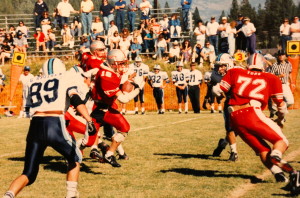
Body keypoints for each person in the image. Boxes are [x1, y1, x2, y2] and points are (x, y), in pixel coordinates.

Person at [2, 58, 97, 198]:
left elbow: (29, 106)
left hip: (35, 126)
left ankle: (8, 195)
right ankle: (71, 195)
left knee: (28, 173)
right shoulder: (65, 78)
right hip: (54, 123)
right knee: (75, 158)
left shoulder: (32, 81)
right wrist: (88, 119)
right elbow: (75, 99)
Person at [216, 52, 295, 184]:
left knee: (262, 149)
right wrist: (280, 119)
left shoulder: (235, 71)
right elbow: (280, 105)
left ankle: (278, 174)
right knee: (282, 141)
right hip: (252, 111)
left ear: (248, 65)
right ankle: (276, 156)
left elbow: (217, 90)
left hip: (234, 117)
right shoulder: (271, 77)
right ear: (263, 65)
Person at [89, 49, 140, 167]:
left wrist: (129, 80)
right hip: (97, 108)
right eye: (121, 63)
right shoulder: (105, 75)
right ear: (113, 62)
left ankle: (109, 154)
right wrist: (137, 89)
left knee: (124, 128)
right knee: (87, 141)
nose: (123, 66)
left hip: (106, 107)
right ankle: (72, 155)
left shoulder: (111, 70)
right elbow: (123, 99)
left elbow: (120, 82)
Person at [268, 50, 295, 117]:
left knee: (290, 101)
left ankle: (277, 111)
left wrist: (292, 82)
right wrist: (279, 76)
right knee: (276, 100)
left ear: (285, 56)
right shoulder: (275, 65)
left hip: (285, 84)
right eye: (279, 55)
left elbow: (290, 73)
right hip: (277, 85)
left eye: (282, 55)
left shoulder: (289, 64)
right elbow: (271, 77)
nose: (281, 56)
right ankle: (275, 111)